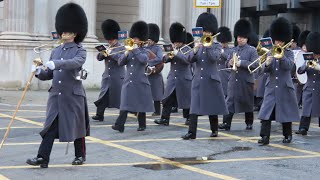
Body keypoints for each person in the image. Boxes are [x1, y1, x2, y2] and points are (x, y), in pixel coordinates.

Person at [26, 2, 89, 168]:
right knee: (50, 127)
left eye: (67, 31)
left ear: (75, 33)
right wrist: (39, 71)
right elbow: (50, 74)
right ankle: (42, 158)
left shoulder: (80, 50)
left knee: (77, 126)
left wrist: (57, 63)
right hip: (56, 95)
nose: (63, 33)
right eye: (63, 30)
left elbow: (75, 63)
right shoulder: (56, 50)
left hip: (72, 95)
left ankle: (80, 155)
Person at [182, 12, 228, 140]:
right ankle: (192, 133)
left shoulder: (217, 46)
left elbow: (214, 58)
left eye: (208, 32)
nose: (206, 34)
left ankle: (214, 130)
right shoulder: (198, 45)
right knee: (194, 107)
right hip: (198, 79)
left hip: (211, 80)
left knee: (212, 106)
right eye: (204, 31)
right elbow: (189, 59)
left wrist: (207, 47)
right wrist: (195, 49)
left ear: (212, 32)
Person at [258, 17, 300, 145]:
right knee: (266, 113)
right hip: (271, 87)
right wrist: (268, 63)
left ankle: (287, 135)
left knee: (286, 113)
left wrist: (281, 57)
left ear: (285, 41)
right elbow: (263, 70)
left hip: (284, 87)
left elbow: (289, 67)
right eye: (276, 41)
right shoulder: (270, 52)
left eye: (281, 41)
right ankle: (264, 137)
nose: (278, 43)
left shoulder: (289, 53)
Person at [112, 21, 154, 132]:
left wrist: (134, 49)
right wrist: (126, 53)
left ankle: (142, 124)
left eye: (136, 38)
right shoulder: (129, 51)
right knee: (125, 103)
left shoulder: (145, 51)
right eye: (133, 38)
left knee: (141, 104)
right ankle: (119, 125)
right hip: (128, 81)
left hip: (140, 81)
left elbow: (143, 60)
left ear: (141, 39)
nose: (134, 40)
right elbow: (120, 63)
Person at [219, 19, 258, 131]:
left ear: (247, 38)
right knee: (229, 102)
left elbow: (255, 65)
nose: (240, 39)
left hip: (246, 81)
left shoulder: (252, 50)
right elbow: (227, 62)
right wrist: (230, 62)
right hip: (233, 80)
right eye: (238, 37)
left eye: (242, 37)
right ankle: (226, 123)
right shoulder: (233, 50)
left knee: (247, 103)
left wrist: (242, 63)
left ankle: (249, 123)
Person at [154, 22, 192, 126]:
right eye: (174, 42)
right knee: (167, 99)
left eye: (177, 42)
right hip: (173, 78)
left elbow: (187, 61)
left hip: (184, 78)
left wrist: (177, 54)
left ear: (181, 41)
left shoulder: (187, 49)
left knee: (186, 100)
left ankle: (189, 118)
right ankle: (164, 119)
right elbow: (164, 60)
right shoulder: (172, 48)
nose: (175, 44)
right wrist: (168, 56)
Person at [92, 19, 125, 121]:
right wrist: (103, 53)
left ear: (116, 38)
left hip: (118, 77)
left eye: (111, 39)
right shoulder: (107, 47)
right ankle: (99, 115)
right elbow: (98, 58)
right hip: (107, 76)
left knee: (121, 98)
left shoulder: (122, 47)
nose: (110, 41)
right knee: (103, 96)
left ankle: (125, 116)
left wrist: (111, 54)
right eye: (108, 40)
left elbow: (121, 60)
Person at [296, 32, 320, 135]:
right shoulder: (309, 58)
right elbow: (299, 71)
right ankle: (303, 128)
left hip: (318, 87)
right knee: (306, 109)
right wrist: (306, 65)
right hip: (309, 87)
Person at [146, 23, 164, 116]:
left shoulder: (157, 48)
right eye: (148, 39)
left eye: (151, 39)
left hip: (155, 74)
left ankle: (157, 111)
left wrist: (149, 62)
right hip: (146, 74)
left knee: (156, 93)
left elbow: (160, 59)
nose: (149, 41)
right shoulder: (145, 48)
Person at [217, 26, 233, 97]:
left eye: (224, 43)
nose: (223, 44)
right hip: (217, 73)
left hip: (225, 75)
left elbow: (229, 59)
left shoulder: (231, 50)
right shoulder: (217, 48)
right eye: (222, 42)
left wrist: (223, 53)